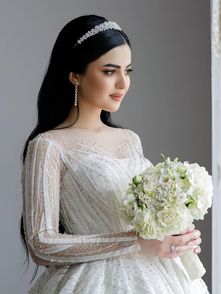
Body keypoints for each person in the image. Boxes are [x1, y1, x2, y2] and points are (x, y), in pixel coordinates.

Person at [21, 15, 209, 293]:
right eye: (109, 71)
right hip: (93, 282)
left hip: (164, 277)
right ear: (75, 75)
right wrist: (135, 242)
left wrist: (175, 231)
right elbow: (41, 244)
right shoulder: (49, 146)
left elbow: (142, 218)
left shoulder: (130, 140)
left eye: (127, 71)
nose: (123, 83)